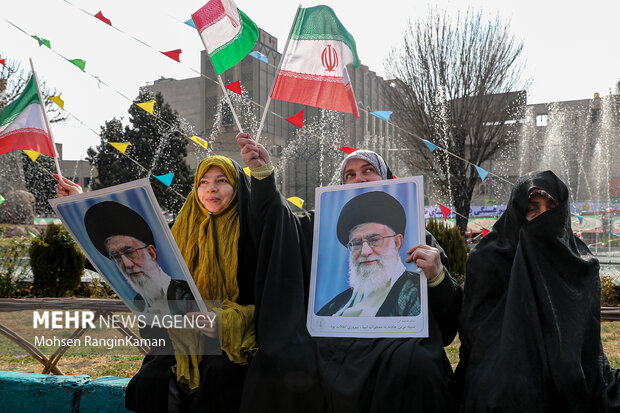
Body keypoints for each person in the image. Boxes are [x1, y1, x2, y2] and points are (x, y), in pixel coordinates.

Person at [236, 134, 462, 412]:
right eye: (350, 174)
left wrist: (437, 278)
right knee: (285, 359)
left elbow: (448, 322)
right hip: (333, 343)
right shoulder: (317, 240)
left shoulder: (422, 242)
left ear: (399, 241)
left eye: (368, 171)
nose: (359, 178)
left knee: (414, 366)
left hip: (396, 346)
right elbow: (279, 226)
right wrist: (262, 173)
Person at [56, 157, 259, 413]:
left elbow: (271, 299)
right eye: (204, 182)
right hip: (180, 340)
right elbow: (108, 260)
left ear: (238, 187)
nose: (211, 189)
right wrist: (78, 199)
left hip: (236, 343)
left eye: (222, 181)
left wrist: (221, 321)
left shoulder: (255, 234)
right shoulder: (179, 232)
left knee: (219, 376)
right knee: (151, 381)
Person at [457, 170, 620, 412]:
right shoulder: (489, 258)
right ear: (517, 212)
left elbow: (586, 345)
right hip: (499, 370)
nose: (543, 217)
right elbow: (475, 335)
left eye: (550, 208)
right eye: (532, 209)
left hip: (570, 371)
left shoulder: (579, 264)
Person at [317, 191, 421, 317]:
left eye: (374, 240)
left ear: (397, 242)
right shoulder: (337, 305)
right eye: (356, 243)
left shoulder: (417, 292)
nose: (365, 252)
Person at [83, 201, 196, 315]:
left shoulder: (185, 293)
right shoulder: (139, 300)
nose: (127, 264)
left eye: (130, 252)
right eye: (116, 256)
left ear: (151, 253)